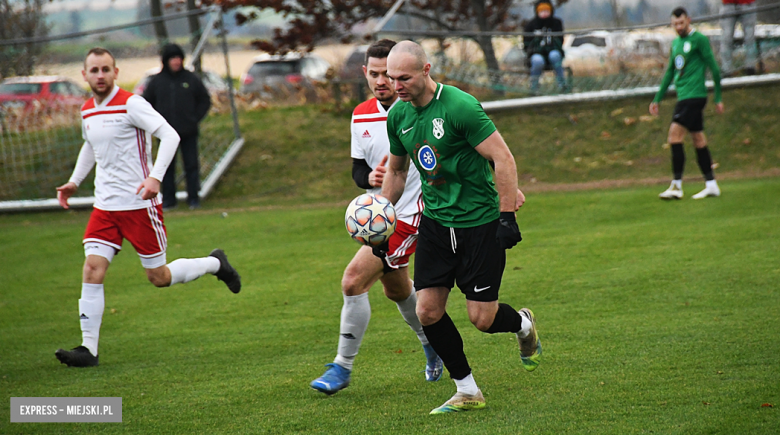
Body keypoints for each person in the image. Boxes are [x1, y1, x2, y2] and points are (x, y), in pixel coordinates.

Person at [54, 47, 241, 368]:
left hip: (140, 206)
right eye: (94, 70)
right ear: (83, 75)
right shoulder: (87, 110)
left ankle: (214, 264)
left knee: (159, 276)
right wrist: (74, 181)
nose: (100, 75)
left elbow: (169, 135)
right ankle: (88, 349)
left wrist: (155, 178)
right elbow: (90, 145)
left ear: (115, 72)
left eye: (105, 69)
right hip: (105, 207)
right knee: (92, 268)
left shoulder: (131, 104)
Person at [383, 40, 539, 414]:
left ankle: (521, 324)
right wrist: (381, 218)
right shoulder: (398, 116)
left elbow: (502, 158)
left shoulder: (460, 107)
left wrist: (506, 217)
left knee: (482, 319)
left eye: (403, 77)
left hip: (480, 223)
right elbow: (397, 170)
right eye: (391, 78)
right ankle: (467, 389)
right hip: (436, 223)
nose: (396, 85)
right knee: (428, 311)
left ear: (426, 69)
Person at [310, 39, 443, 395]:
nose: (382, 80)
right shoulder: (361, 114)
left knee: (353, 280)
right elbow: (358, 169)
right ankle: (433, 345)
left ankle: (342, 367)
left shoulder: (419, 109)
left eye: (388, 73)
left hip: (412, 214)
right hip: (377, 215)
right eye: (375, 73)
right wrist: (367, 179)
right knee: (397, 289)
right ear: (364, 73)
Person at [650, 7, 724, 200]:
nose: (678, 27)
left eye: (681, 23)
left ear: (689, 20)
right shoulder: (675, 43)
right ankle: (711, 184)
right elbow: (669, 73)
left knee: (674, 135)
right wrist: (657, 98)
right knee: (698, 139)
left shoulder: (699, 39)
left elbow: (714, 68)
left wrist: (717, 97)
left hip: (694, 96)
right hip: (683, 96)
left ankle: (676, 186)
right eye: (675, 24)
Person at [142, 43, 211, 210]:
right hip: (165, 134)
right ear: (166, 61)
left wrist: (194, 119)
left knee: (191, 165)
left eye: (179, 58)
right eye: (173, 58)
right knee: (166, 167)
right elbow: (145, 104)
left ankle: (193, 198)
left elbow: (205, 100)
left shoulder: (191, 79)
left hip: (188, 131)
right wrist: (155, 124)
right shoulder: (157, 82)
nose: (176, 62)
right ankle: (168, 200)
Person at [523, 0, 566, 92]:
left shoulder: (556, 23)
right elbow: (526, 43)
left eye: (547, 10)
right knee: (537, 61)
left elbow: (560, 40)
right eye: (542, 11)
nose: (544, 13)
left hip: (552, 51)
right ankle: (534, 87)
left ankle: (562, 84)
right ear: (537, 11)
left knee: (555, 56)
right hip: (537, 53)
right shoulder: (531, 25)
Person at [720, 0, 757, 76]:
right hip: (728, 4)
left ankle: (750, 67)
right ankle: (726, 69)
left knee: (750, 38)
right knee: (726, 38)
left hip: (748, 3)